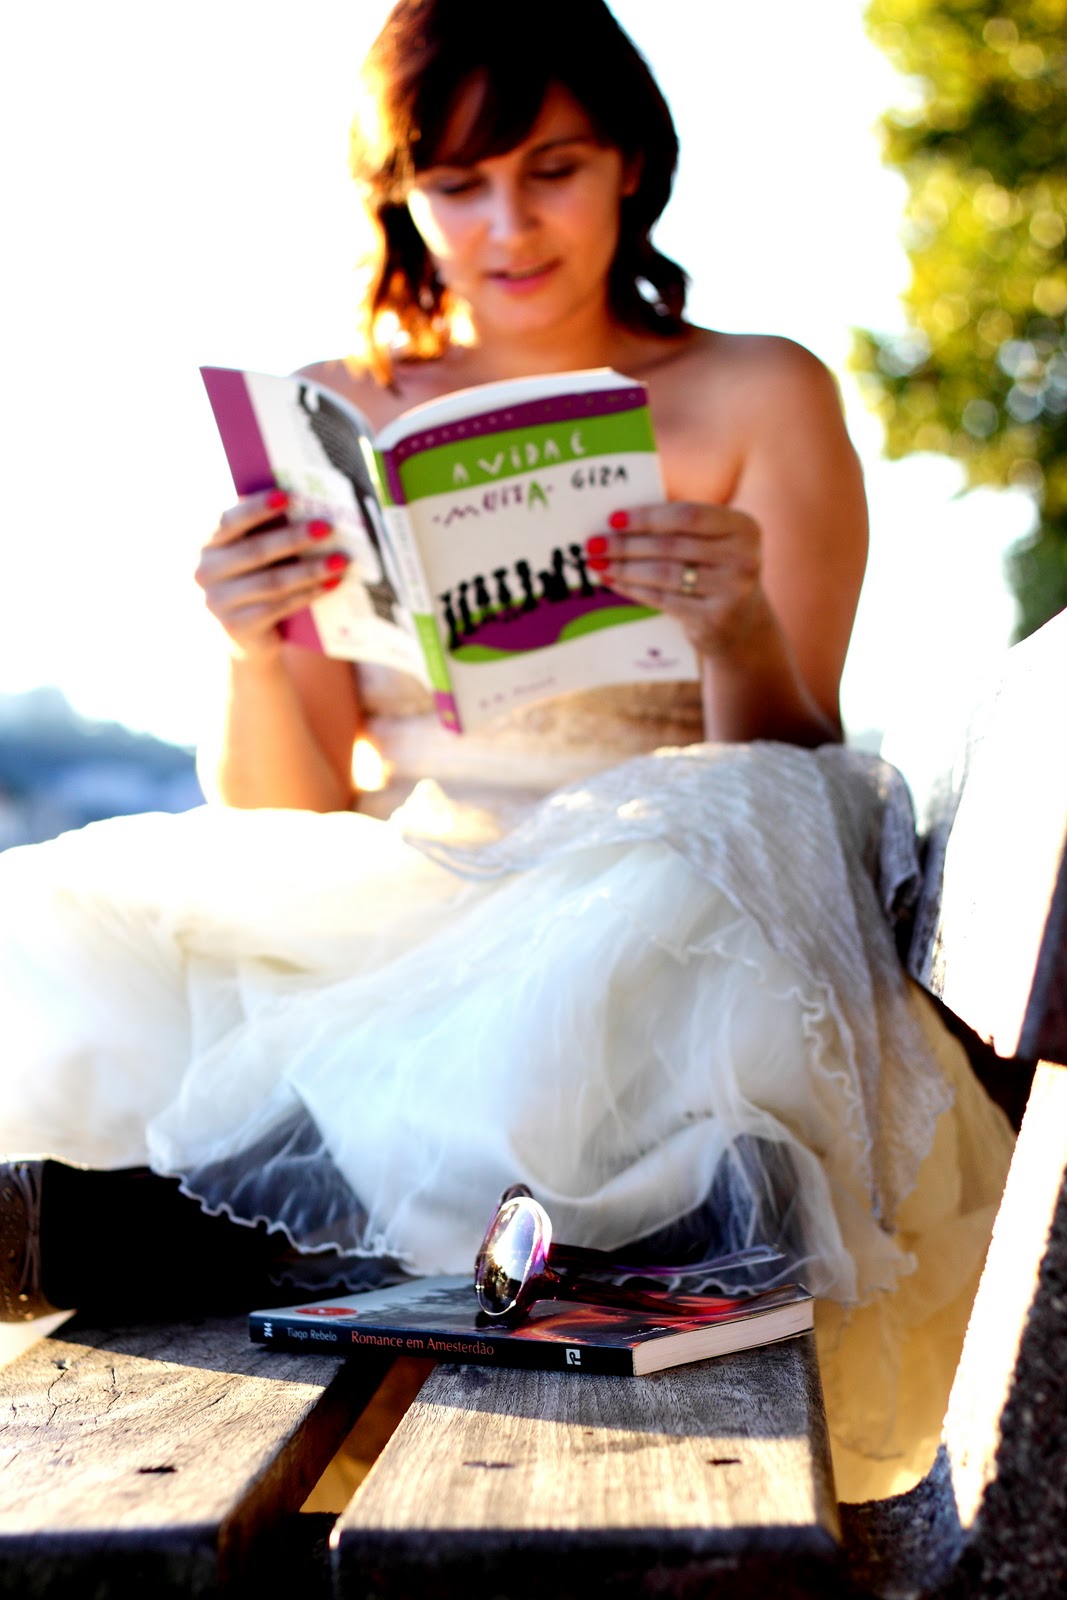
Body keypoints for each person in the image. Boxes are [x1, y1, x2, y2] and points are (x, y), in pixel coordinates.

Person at [0, 0, 1012, 1503]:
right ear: (401, 196)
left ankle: (373, 1242)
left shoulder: (758, 391)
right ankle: (247, 1232)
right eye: (457, 184)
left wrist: (734, 628)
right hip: (412, 885)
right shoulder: (336, 412)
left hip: (661, 894)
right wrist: (254, 645)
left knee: (707, 843)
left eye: (552, 169)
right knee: (60, 927)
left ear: (631, 166)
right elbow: (283, 810)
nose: (506, 225)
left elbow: (798, 772)